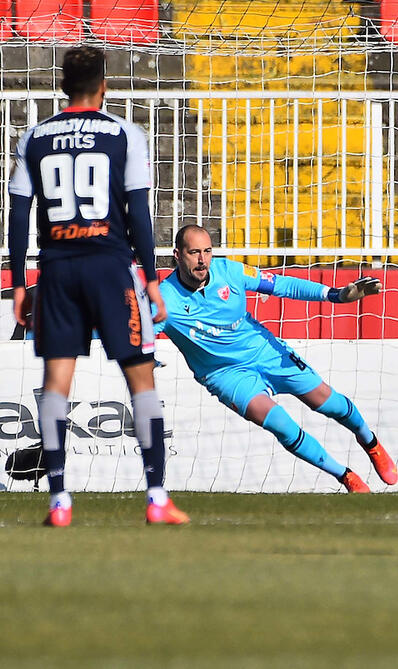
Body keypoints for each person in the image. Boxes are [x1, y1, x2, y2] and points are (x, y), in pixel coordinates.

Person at [7, 46, 188, 526]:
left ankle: (60, 502)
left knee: (56, 385)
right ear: (104, 85)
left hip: (58, 270)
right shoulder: (125, 134)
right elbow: (138, 214)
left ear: (63, 86)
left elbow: (19, 215)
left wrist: (21, 284)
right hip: (110, 268)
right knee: (141, 377)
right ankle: (156, 497)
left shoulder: (34, 137)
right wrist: (150, 279)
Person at [156, 225, 397, 493]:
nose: (202, 260)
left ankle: (371, 443)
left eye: (207, 251)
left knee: (328, 403)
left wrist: (334, 295)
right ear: (177, 255)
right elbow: (139, 333)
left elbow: (280, 285)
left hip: (263, 350)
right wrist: (144, 355)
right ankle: (346, 476)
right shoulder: (163, 299)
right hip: (223, 373)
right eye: (194, 253)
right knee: (281, 424)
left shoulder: (230, 271)